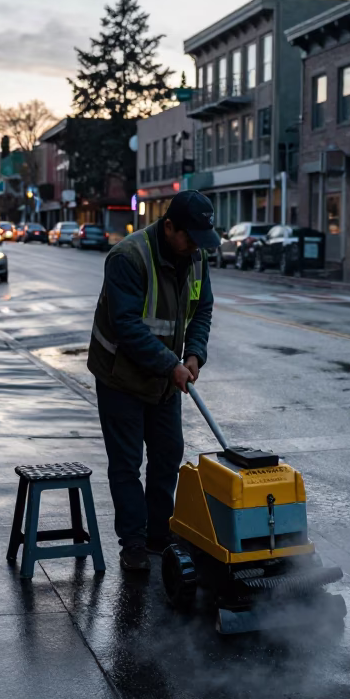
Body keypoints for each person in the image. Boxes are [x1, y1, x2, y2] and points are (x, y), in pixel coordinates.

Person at [87, 191, 219, 572]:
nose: (195, 246)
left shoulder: (196, 257)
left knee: (167, 454)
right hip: (120, 376)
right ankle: (134, 542)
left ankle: (161, 535)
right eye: (189, 237)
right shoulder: (128, 258)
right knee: (127, 464)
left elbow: (202, 309)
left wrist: (193, 354)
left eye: (200, 240)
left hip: (164, 377)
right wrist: (170, 365)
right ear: (169, 227)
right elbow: (127, 326)